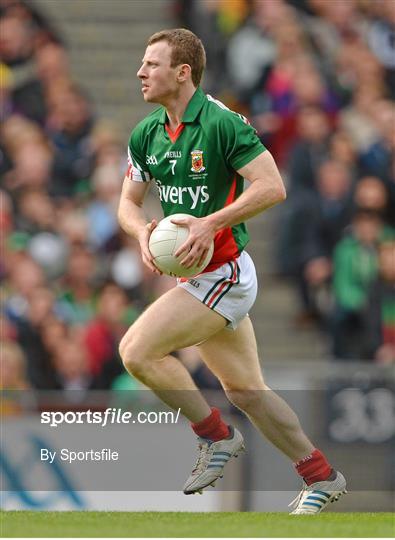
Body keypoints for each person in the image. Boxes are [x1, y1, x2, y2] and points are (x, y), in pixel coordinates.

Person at [117, 28, 346, 514]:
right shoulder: (147, 133)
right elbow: (128, 203)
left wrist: (211, 222)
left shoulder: (223, 123)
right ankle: (321, 476)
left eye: (152, 64)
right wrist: (141, 234)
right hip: (196, 277)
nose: (141, 72)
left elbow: (272, 186)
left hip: (224, 274)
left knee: (136, 351)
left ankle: (215, 438)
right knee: (248, 391)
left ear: (183, 73)